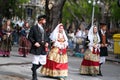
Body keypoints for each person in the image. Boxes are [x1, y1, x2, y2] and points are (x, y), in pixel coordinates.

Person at [28, 15, 49, 80]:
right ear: (40, 20)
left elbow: (46, 37)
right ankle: (34, 76)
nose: (45, 21)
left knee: (43, 61)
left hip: (43, 47)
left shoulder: (44, 28)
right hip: (37, 47)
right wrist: (34, 42)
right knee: (35, 61)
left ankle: (33, 68)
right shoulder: (34, 27)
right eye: (44, 20)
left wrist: (47, 42)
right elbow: (30, 37)